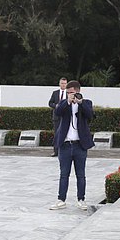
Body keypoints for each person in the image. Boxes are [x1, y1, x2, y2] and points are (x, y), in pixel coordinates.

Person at [50, 80, 94, 211]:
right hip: (65, 145)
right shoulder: (64, 103)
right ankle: (61, 200)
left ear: (78, 92)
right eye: (68, 93)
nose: (70, 95)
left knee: (81, 174)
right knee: (64, 174)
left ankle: (81, 199)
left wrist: (80, 103)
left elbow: (90, 115)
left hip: (80, 145)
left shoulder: (86, 103)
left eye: (72, 93)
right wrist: (68, 102)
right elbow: (57, 113)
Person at [48, 77, 68, 157]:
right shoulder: (55, 93)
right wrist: (55, 106)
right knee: (57, 134)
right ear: (59, 84)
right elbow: (50, 103)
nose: (63, 85)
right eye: (62, 83)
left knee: (66, 134)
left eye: (65, 83)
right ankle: (56, 151)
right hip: (56, 117)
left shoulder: (69, 93)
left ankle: (65, 151)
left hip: (66, 117)